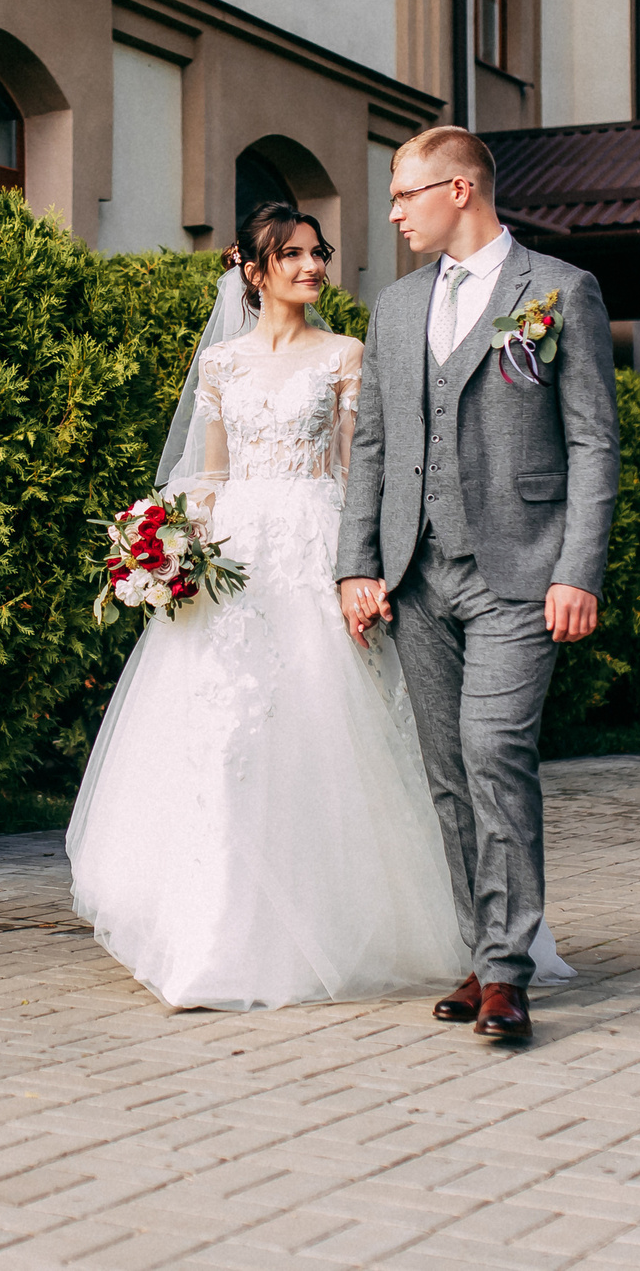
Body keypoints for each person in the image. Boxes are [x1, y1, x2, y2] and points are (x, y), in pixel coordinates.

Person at [65, 202, 474, 1010]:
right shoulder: (220, 365)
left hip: (317, 545)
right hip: (237, 560)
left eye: (317, 252)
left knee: (321, 729)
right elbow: (209, 475)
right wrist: (171, 551)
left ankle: (337, 921)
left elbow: (367, 472)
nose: (311, 266)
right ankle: (211, 933)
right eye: (290, 255)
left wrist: (362, 570)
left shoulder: (346, 355)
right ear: (253, 272)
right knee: (225, 731)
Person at [336, 125, 620, 1042]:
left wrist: (579, 569)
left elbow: (592, 443)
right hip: (418, 577)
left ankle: (507, 971)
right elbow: (371, 447)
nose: (393, 212)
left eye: (405, 193)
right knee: (448, 773)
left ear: (460, 189)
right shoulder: (393, 308)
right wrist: (356, 564)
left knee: (495, 750)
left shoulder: (560, 291)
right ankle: (481, 947)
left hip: (520, 573)